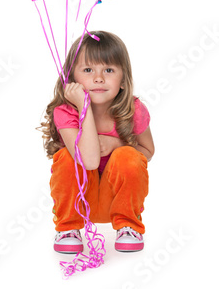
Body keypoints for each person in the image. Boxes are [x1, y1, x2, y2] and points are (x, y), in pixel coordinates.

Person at [39, 30, 155, 254]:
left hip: (118, 201)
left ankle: (129, 225)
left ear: (123, 81)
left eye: (109, 70)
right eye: (88, 70)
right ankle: (68, 229)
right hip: (81, 202)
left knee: (129, 155)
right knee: (66, 156)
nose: (99, 78)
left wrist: (117, 145)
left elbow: (148, 151)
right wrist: (84, 107)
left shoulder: (134, 110)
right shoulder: (65, 112)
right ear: (72, 79)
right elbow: (89, 161)